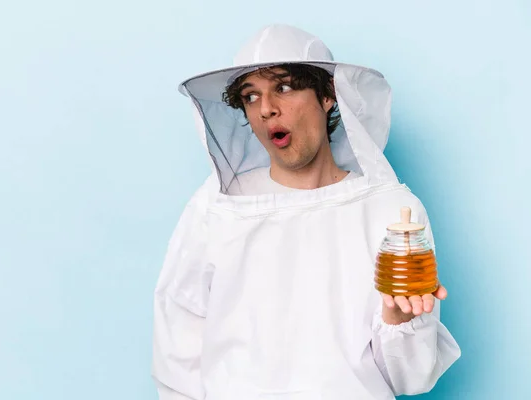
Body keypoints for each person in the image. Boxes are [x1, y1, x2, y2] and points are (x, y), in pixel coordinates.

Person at [152, 24, 461, 400]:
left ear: (328, 95)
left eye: (283, 87)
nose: (266, 109)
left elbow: (410, 379)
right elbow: (178, 337)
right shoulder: (217, 206)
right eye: (251, 96)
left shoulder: (393, 213)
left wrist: (399, 321)